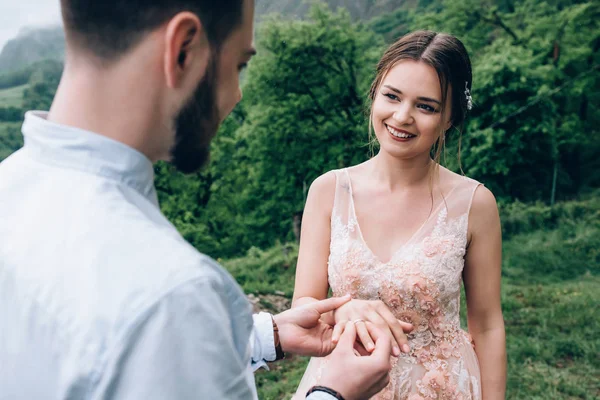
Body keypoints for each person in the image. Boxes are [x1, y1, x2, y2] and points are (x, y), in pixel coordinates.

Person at [0, 1, 398, 399]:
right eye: (238, 65)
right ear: (183, 49)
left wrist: (266, 335)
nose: (237, 94)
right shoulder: (173, 294)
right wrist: (333, 393)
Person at [292, 31, 507, 399]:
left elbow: (487, 325)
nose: (402, 117)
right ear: (375, 94)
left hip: (441, 387)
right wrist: (344, 311)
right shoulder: (328, 190)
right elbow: (305, 303)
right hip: (343, 384)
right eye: (392, 96)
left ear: (450, 117)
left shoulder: (475, 203)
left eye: (426, 106)